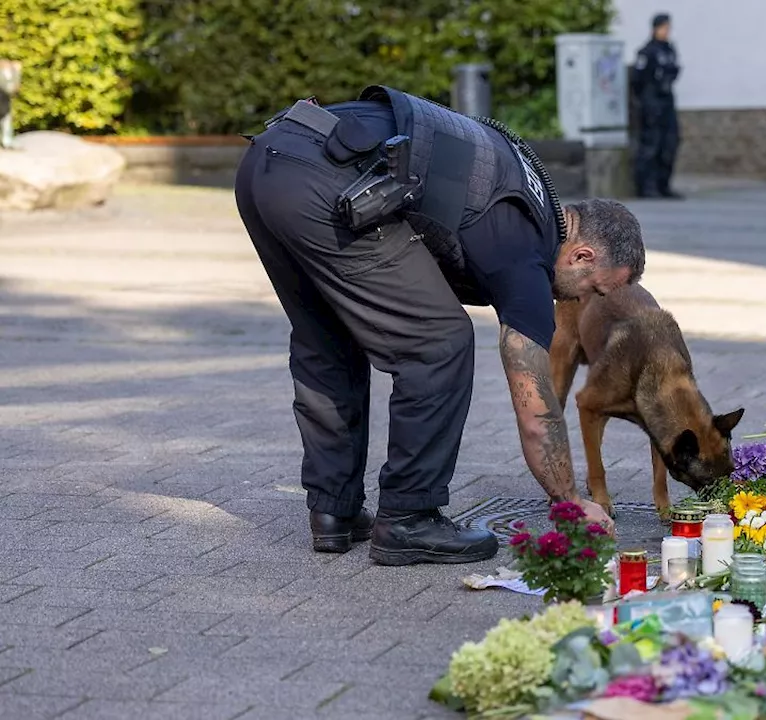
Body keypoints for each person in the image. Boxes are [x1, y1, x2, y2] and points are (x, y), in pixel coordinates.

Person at [234, 87, 642, 565]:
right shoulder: (527, 251)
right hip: (327, 183)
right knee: (439, 342)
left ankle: (334, 510)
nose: (582, 301)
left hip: (271, 158)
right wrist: (570, 503)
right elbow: (536, 412)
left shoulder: (528, 192)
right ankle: (409, 517)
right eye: (595, 288)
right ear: (582, 255)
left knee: (327, 335)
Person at [631, 13, 683, 199]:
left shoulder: (668, 49)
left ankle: (663, 185)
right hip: (651, 104)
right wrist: (646, 100)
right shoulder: (647, 51)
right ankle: (647, 187)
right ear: (655, 28)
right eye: (664, 28)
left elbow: (674, 71)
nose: (666, 31)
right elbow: (637, 80)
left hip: (667, 102)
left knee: (669, 144)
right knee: (651, 146)